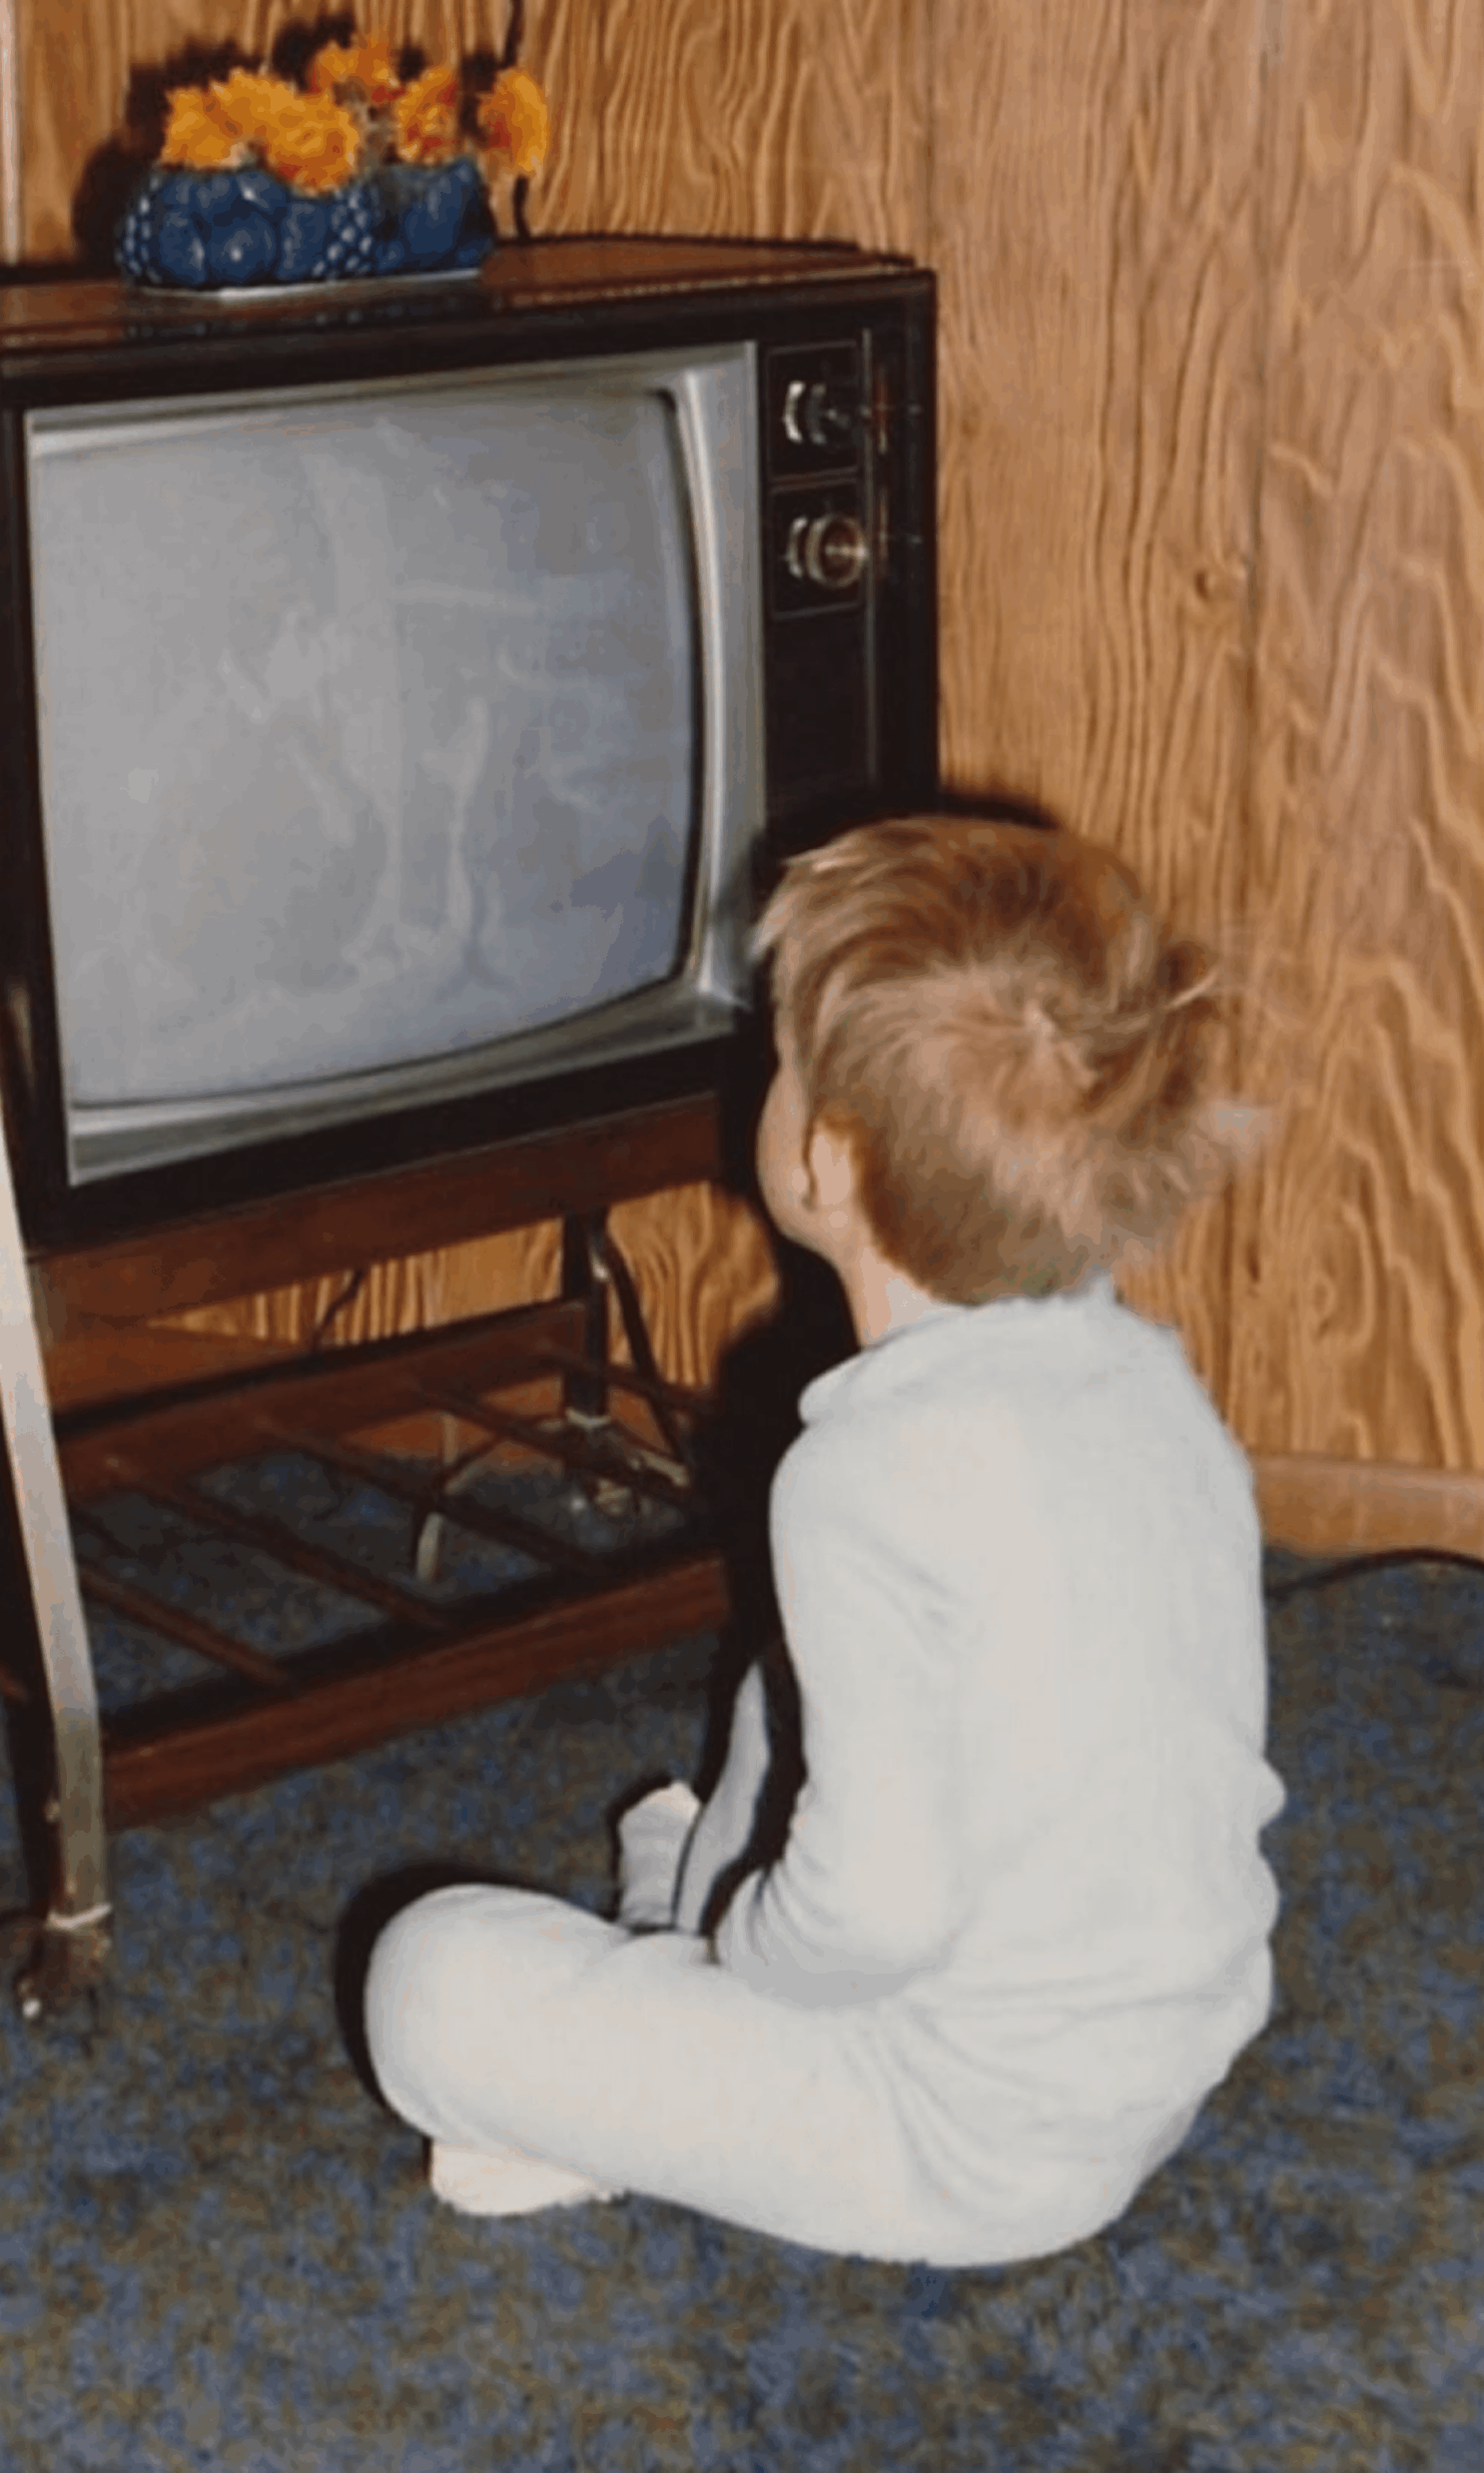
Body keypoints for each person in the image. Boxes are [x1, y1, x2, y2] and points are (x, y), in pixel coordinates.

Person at [363, 814, 1284, 2266]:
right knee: (784, 1689)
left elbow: (873, 1918)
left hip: (954, 2137)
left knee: (425, 1981)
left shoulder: (862, 1478)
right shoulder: (1146, 1384)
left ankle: (633, 2049)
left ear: (831, 1165)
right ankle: (671, 1950)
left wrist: (743, 1957)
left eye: (781, 1058)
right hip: (1151, 2058)